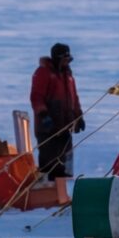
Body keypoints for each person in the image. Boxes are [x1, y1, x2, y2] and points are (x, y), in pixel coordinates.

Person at [29, 43, 84, 188]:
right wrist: (43, 115)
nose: (67, 62)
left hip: (65, 126)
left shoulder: (68, 75)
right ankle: (47, 190)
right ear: (57, 58)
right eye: (65, 59)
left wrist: (79, 117)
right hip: (48, 128)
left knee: (65, 160)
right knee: (49, 160)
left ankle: (65, 191)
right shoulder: (43, 73)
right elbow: (36, 97)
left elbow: (74, 97)